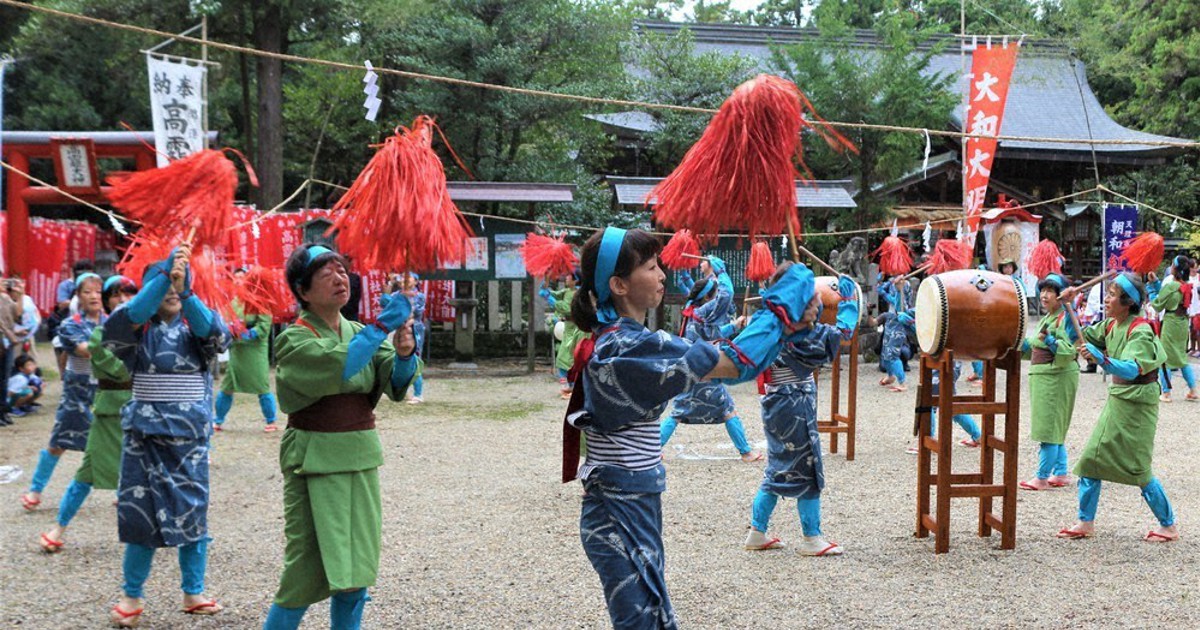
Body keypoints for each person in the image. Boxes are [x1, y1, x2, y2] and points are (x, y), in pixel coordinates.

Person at [564, 227, 806, 629]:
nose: (662, 275)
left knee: (652, 617)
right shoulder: (626, 347)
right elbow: (734, 365)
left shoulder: (626, 340)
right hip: (618, 511)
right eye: (650, 267)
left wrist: (781, 324)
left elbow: (727, 360)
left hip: (628, 503)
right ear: (619, 284)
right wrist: (780, 309)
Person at [261, 244, 420, 630]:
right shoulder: (293, 339)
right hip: (314, 457)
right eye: (325, 273)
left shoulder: (357, 331)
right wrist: (381, 327)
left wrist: (404, 353)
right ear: (302, 290)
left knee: (356, 567)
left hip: (359, 455)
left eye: (342, 270)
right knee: (304, 570)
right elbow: (342, 363)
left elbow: (395, 383)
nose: (339, 278)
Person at [102, 245, 230, 626]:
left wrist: (185, 290)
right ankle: (131, 594)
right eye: (165, 286)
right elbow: (127, 318)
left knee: (193, 514)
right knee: (139, 516)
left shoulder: (198, 326)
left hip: (189, 441)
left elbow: (216, 335)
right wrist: (162, 278)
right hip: (144, 438)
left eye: (179, 284)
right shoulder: (135, 330)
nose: (172, 291)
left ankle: (193, 591)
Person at [744, 262, 857, 556]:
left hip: (774, 401)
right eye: (810, 294)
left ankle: (757, 531)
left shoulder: (770, 321)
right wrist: (848, 302)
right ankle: (812, 537)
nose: (817, 298)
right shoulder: (799, 330)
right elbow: (842, 333)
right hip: (794, 403)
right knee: (807, 469)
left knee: (779, 466)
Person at [1056, 273, 1178, 542]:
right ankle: (1085, 522)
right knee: (1090, 461)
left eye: (1112, 295)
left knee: (1139, 469)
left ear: (1128, 302)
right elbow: (1074, 333)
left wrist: (1101, 357)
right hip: (1119, 398)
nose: (1106, 299)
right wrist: (1068, 305)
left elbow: (1133, 369)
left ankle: (1168, 526)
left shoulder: (1141, 331)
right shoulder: (1110, 325)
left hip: (1138, 404)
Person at [37, 275, 138, 553]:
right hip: (102, 408)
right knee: (81, 465)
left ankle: (155, 531)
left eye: (130, 294)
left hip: (140, 409)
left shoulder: (148, 330)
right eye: (116, 295)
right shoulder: (89, 329)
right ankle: (56, 522)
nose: (123, 300)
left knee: (147, 469)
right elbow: (100, 355)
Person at [20, 272, 105, 512]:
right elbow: (85, 350)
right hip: (77, 392)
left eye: (98, 292)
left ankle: (123, 489)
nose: (94, 296)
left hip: (104, 391)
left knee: (114, 441)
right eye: (87, 292)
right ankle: (36, 489)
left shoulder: (111, 321)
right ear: (78, 295)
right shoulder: (70, 325)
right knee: (59, 442)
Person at [660, 270, 761, 462]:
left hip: (694, 369)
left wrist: (734, 326)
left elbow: (712, 335)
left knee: (679, 412)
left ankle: (654, 449)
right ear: (707, 297)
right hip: (706, 371)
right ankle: (746, 452)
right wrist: (721, 271)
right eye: (713, 295)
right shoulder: (705, 312)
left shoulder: (694, 312)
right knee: (727, 410)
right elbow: (727, 294)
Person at [1018, 273, 1081, 491]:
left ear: (1061, 295)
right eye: (1043, 290)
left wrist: (1051, 341)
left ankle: (1042, 477)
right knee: (1055, 426)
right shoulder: (1050, 316)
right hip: (1046, 376)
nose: (1044, 295)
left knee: (1049, 427)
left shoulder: (1067, 317)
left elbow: (1070, 349)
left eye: (1051, 291)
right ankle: (1060, 472)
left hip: (1057, 377)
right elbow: (1035, 345)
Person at [215, 269, 279, 432]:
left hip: (255, 349)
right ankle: (218, 420)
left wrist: (247, 333)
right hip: (237, 350)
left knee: (262, 386)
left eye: (241, 278)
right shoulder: (231, 304)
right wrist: (229, 330)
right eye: (235, 278)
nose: (238, 281)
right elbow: (224, 324)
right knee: (227, 386)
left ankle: (271, 420)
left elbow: (264, 327)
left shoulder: (260, 302)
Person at [1151, 257, 1197, 402]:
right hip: (1183, 322)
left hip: (1171, 323)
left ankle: (1166, 393)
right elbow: (1167, 295)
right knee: (1181, 357)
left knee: (1164, 358)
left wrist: (1151, 288)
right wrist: (1156, 283)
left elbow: (1158, 304)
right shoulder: (1188, 285)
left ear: (1176, 269)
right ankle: (1193, 390)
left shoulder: (1171, 286)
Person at [541, 271, 585, 400]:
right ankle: (571, 386)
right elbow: (547, 293)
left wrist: (552, 301)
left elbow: (566, 308)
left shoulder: (577, 293)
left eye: (569, 277)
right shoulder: (567, 291)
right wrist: (546, 281)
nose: (566, 278)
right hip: (569, 328)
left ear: (575, 280)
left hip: (577, 329)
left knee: (568, 357)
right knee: (565, 358)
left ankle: (573, 387)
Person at [875, 275, 913, 392]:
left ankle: (902, 383)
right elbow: (880, 290)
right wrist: (887, 281)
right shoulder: (893, 297)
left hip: (898, 328)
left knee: (892, 354)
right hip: (890, 325)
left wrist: (899, 289)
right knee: (885, 353)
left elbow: (899, 306)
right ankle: (890, 375)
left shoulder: (903, 302)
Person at [402, 272, 428, 404]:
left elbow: (417, 311)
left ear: (416, 282)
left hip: (415, 328)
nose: (405, 280)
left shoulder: (419, 296)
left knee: (415, 358)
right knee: (400, 360)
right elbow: (385, 304)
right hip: (401, 328)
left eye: (408, 278)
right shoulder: (397, 294)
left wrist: (405, 300)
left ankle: (418, 393)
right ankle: (402, 390)